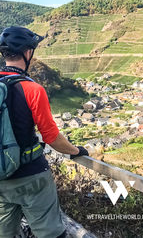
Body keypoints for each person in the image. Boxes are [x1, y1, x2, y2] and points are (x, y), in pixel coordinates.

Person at [0, 26, 89, 238]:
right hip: (32, 177)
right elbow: (51, 137)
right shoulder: (33, 90)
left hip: (1, 177)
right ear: (27, 52)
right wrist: (75, 151)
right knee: (50, 233)